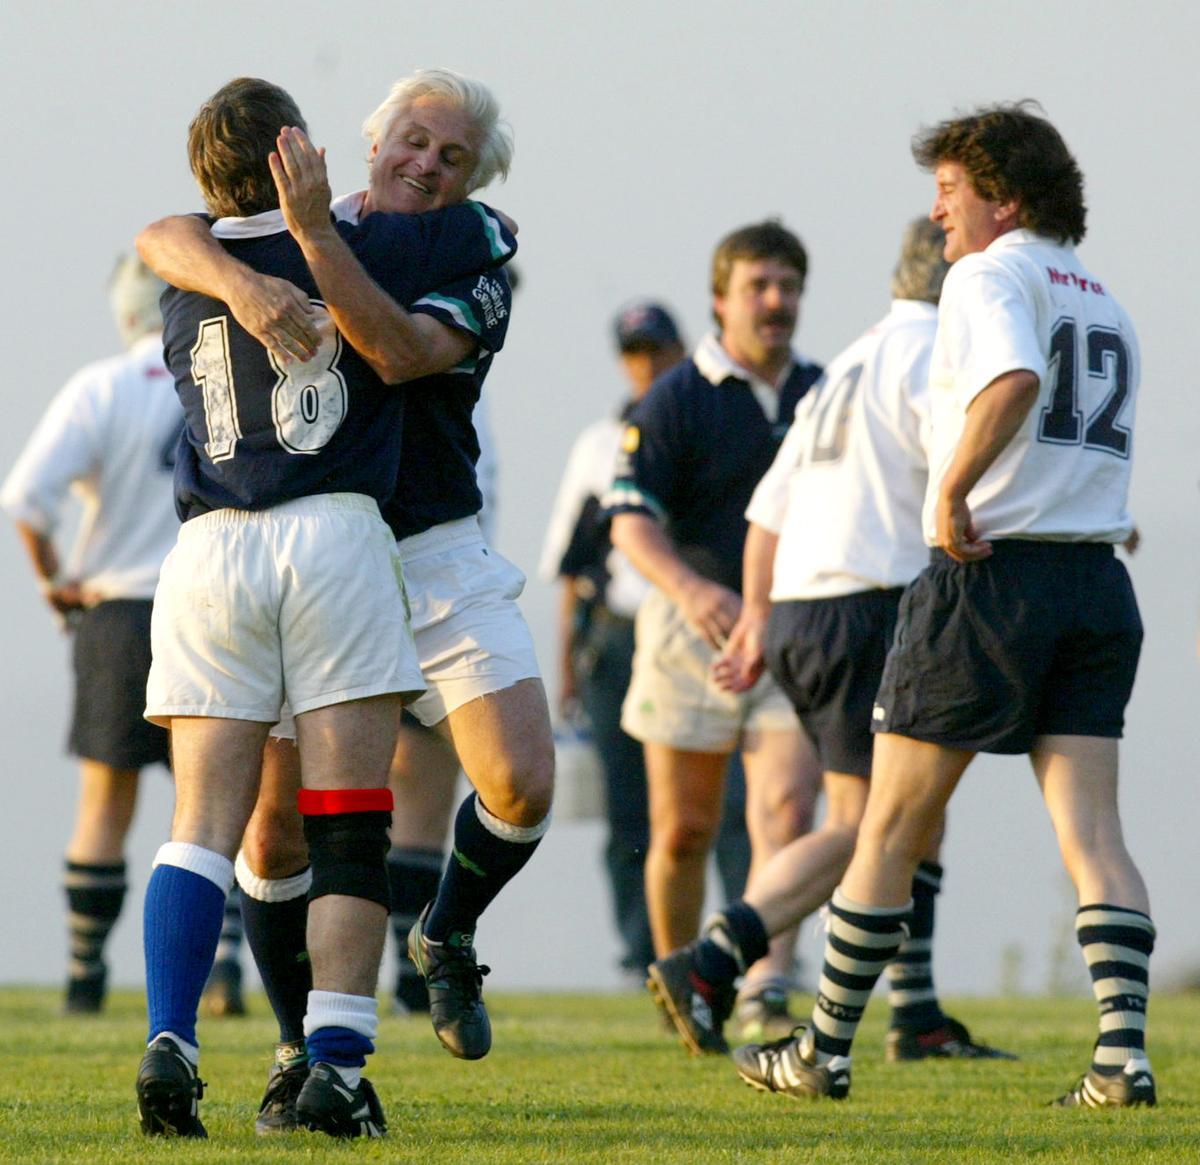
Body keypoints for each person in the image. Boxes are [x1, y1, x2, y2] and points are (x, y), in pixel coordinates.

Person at [137, 68, 553, 1132]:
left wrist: (303, 250)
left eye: (450, 156)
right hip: (324, 546)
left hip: (427, 544)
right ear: (368, 141)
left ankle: (445, 932)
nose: (426, 163)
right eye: (413, 140)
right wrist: (244, 280)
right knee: (275, 836)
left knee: (520, 779)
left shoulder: (471, 246)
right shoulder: (299, 224)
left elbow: (403, 351)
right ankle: (301, 1054)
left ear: (472, 181)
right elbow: (163, 233)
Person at [734, 102, 1155, 1110]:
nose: (937, 215)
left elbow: (1011, 379)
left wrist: (956, 485)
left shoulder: (987, 273)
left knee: (889, 824)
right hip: (1095, 581)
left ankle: (822, 1049)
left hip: (992, 578)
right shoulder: (1103, 295)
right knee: (1094, 831)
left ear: (1006, 199)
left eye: (953, 191)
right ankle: (1121, 1057)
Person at [647, 219, 1010, 1062]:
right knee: (873, 821)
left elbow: (766, 510)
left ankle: (913, 1009)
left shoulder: (847, 361)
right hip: (872, 603)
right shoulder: (937, 355)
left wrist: (764, 620)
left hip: (812, 609)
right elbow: (969, 473)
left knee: (912, 808)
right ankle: (715, 958)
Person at [606, 222, 823, 1050]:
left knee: (786, 807)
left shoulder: (823, 388)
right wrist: (692, 589)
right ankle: (678, 980)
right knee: (683, 829)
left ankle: (766, 984)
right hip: (689, 628)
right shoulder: (675, 397)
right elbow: (629, 519)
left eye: (790, 286)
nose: (777, 302)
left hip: (796, 628)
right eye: (760, 285)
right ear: (721, 300)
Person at [1, 256, 183, 1015]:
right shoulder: (218, 377)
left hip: (113, 613)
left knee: (105, 799)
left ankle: (84, 974)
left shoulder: (100, 387)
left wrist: (54, 582)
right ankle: (227, 974)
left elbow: (27, 501)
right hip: (205, 607)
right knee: (223, 799)